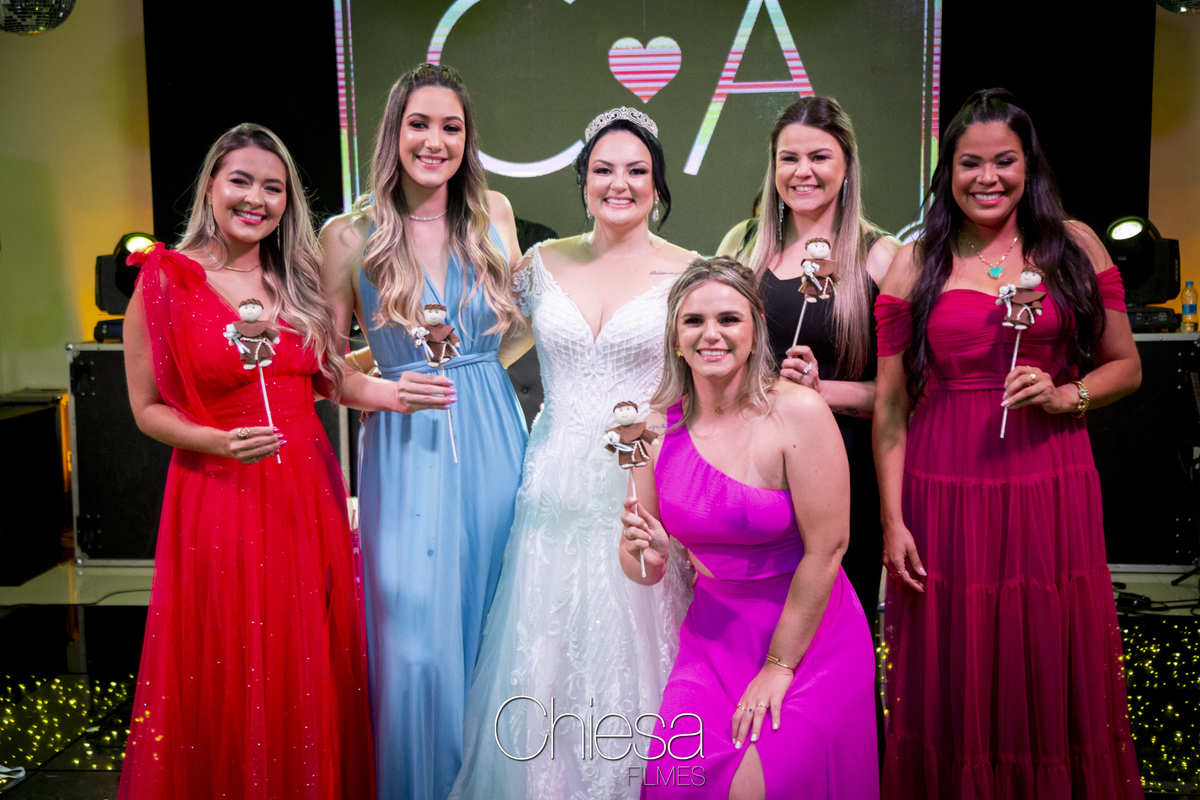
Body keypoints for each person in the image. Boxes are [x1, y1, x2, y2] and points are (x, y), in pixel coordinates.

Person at [873, 89, 1143, 798]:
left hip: (1048, 479)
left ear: (1029, 166)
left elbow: (1126, 366)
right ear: (948, 171)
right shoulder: (914, 262)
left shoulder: (1074, 245)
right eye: (970, 163)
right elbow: (892, 407)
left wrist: (1066, 394)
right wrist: (893, 520)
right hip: (945, 485)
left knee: (1044, 645)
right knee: (957, 655)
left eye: (1004, 161)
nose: (987, 178)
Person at [118, 123, 374, 799]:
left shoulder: (299, 278)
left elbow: (328, 377)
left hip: (306, 489)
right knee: (231, 659)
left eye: (273, 187)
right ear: (211, 185)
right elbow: (146, 407)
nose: (256, 199)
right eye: (241, 181)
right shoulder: (165, 280)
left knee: (302, 655)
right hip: (218, 490)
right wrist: (217, 441)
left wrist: (394, 387)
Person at [450, 107, 694, 800]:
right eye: (604, 170)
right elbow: (485, 351)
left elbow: (707, 378)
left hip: (638, 482)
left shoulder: (690, 272)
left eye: (637, 171)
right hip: (551, 481)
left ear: (657, 185)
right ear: (583, 181)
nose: (620, 184)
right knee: (543, 645)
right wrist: (366, 370)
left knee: (635, 641)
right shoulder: (541, 264)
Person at [319, 63, 526, 800]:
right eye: (419, 124)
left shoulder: (494, 212)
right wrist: (386, 388)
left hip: (494, 435)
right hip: (405, 445)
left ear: (468, 139)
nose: (435, 141)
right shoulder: (348, 235)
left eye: (451, 127)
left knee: (496, 624)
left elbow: (519, 328)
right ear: (393, 132)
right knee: (413, 644)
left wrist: (478, 370)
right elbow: (321, 369)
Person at [619, 257, 878, 799]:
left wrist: (779, 668)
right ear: (675, 336)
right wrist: (646, 551)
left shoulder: (798, 412)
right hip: (713, 637)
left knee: (763, 783)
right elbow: (643, 569)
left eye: (728, 319)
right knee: (673, 779)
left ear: (756, 330)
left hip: (810, 633)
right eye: (694, 321)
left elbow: (828, 548)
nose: (710, 334)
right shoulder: (653, 430)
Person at [717, 96, 899, 659]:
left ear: (847, 165)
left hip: (841, 472)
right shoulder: (743, 246)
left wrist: (823, 392)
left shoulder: (881, 256)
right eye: (788, 158)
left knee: (837, 640)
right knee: (751, 636)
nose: (803, 172)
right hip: (753, 471)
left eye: (819, 157)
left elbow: (907, 396)